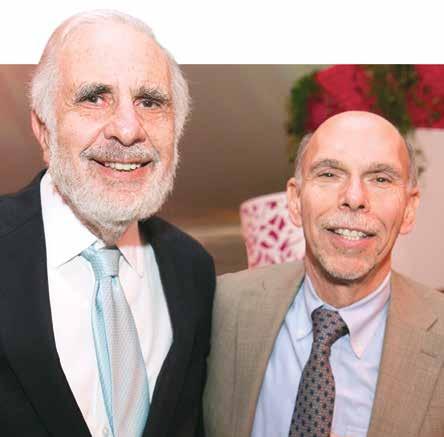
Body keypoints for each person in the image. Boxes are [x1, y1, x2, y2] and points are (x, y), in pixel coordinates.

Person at [0, 10, 215, 437]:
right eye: (94, 97)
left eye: (150, 102)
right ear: (44, 130)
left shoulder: (193, 269)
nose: (128, 129)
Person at [204, 111, 444, 437]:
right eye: (329, 174)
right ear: (295, 200)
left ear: (409, 208)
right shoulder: (222, 307)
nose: (354, 198)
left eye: (380, 179)